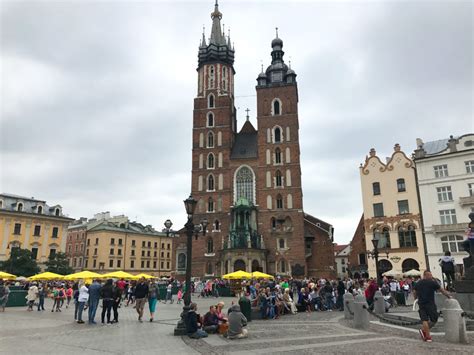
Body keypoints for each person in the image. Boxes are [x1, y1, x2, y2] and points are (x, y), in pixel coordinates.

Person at [413, 270, 451, 342]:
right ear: (426, 275)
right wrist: (448, 296)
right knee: (432, 320)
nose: (431, 276)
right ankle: (428, 336)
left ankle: (424, 331)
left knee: (425, 319)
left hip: (421, 303)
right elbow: (441, 290)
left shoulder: (418, 283)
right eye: (430, 275)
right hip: (430, 304)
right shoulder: (432, 282)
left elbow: (414, 291)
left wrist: (415, 299)